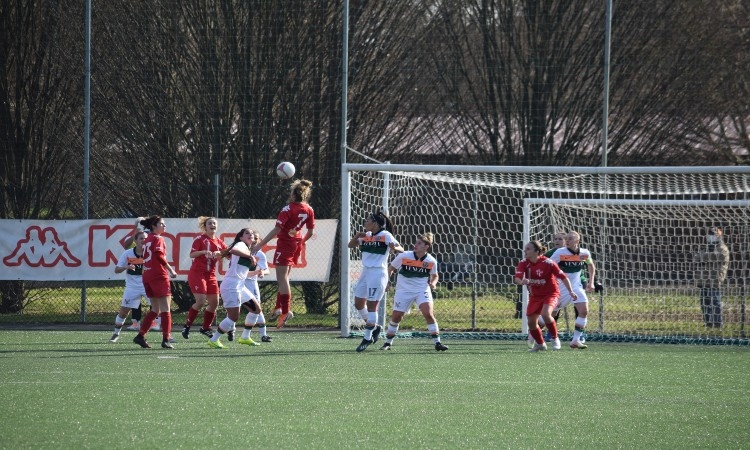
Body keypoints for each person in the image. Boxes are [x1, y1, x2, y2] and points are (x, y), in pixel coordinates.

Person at [251, 179, 315, 329]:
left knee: (282, 279)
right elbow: (310, 232)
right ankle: (278, 308)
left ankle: (285, 311)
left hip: (285, 244)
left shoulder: (288, 209)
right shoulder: (309, 209)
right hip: (296, 244)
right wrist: (302, 241)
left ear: (293, 194)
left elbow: (277, 229)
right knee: (285, 278)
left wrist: (260, 244)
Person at [379, 232, 448, 352]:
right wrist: (387, 282)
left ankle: (437, 343)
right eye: (416, 242)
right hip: (403, 291)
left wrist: (433, 283)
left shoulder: (431, 261)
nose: (415, 244)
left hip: (422, 290)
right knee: (396, 316)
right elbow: (390, 268)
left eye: (419, 243)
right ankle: (388, 343)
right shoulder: (404, 256)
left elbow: (435, 276)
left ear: (426, 246)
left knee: (428, 314)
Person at [349, 211, 403, 352]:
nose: (365, 222)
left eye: (368, 220)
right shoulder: (366, 236)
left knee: (372, 305)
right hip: (366, 272)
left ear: (375, 223)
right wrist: (357, 236)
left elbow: (400, 248)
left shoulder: (385, 235)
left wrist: (394, 247)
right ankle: (375, 327)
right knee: (358, 303)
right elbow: (350, 245)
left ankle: (367, 338)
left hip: (378, 273)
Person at [514, 240, 577, 352]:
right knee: (531, 322)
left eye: (528, 249)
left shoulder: (548, 263)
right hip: (535, 296)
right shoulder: (524, 263)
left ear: (537, 251)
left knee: (545, 314)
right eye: (525, 248)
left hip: (551, 293)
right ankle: (540, 344)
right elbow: (517, 278)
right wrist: (522, 281)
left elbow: (563, 277)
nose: (525, 251)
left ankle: (555, 338)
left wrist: (571, 291)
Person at [207, 228, 259, 349]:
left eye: (251, 234)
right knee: (233, 317)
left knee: (256, 309)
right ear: (240, 237)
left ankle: (245, 337)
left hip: (240, 285)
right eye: (247, 233)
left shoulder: (248, 248)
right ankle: (214, 340)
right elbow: (234, 249)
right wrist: (250, 257)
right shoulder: (240, 244)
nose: (250, 235)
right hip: (231, 285)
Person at [132, 215, 178, 349]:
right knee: (165, 309)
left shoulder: (147, 240)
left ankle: (140, 336)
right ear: (154, 226)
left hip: (147, 275)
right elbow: (158, 256)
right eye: (162, 224)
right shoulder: (158, 238)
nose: (164, 226)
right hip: (158, 275)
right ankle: (166, 338)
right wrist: (171, 270)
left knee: (155, 309)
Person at [181, 217, 228, 340]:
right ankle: (187, 326)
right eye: (210, 223)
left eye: (214, 223)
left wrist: (221, 253)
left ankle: (205, 328)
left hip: (211, 274)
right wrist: (203, 252)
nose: (212, 225)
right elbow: (192, 254)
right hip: (198, 273)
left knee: (214, 303)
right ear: (205, 226)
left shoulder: (219, 241)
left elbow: (227, 254)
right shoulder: (200, 239)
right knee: (201, 301)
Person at [548, 231, 596, 348]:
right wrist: (552, 279)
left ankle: (576, 340)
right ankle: (534, 335)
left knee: (583, 311)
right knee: (548, 316)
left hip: (576, 287)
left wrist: (591, 282)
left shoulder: (584, 253)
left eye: (570, 238)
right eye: (567, 239)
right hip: (561, 288)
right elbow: (549, 265)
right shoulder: (560, 252)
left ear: (577, 241)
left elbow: (590, 265)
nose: (567, 240)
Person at [109, 231, 148, 342]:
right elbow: (117, 270)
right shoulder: (128, 253)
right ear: (135, 241)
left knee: (160, 310)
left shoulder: (150, 253)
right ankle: (116, 334)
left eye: (145, 238)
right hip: (132, 287)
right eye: (141, 238)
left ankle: (167, 336)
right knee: (124, 311)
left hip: (147, 285)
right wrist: (126, 266)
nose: (144, 241)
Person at [240, 229, 272, 343]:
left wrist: (262, 272)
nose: (254, 240)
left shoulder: (259, 254)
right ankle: (231, 331)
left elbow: (266, 270)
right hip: (238, 282)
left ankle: (262, 334)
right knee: (234, 309)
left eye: (256, 238)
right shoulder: (241, 251)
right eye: (252, 237)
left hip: (250, 283)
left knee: (256, 308)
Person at [694, 227, 730, 328]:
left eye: (713, 235)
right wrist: (705, 256)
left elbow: (718, 256)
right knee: (705, 303)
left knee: (715, 301)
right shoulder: (707, 247)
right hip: (703, 280)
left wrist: (704, 257)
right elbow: (696, 257)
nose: (711, 237)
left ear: (719, 236)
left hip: (714, 280)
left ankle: (718, 323)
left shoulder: (722, 248)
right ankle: (708, 323)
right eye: (709, 234)